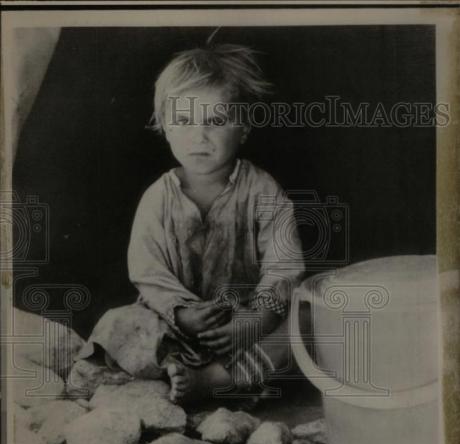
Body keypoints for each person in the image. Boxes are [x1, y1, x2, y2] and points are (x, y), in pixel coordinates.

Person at [79, 42, 305, 405]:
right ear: (165, 127)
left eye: (215, 122)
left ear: (243, 128)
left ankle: (214, 380)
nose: (199, 137)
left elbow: (285, 265)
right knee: (118, 323)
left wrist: (258, 320)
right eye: (183, 121)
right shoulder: (158, 197)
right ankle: (179, 372)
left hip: (245, 327)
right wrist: (182, 315)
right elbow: (147, 271)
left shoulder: (264, 190)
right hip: (178, 330)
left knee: (309, 321)